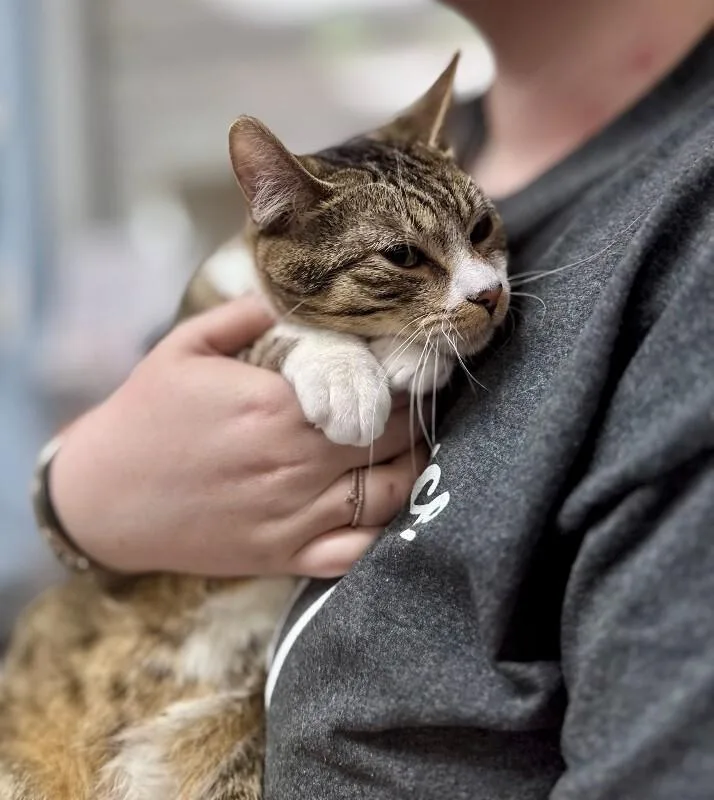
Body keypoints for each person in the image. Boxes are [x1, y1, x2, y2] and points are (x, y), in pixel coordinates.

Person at [36, 0, 714, 797]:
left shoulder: (684, 237)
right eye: (404, 258)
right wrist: (72, 493)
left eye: (484, 236)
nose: (487, 289)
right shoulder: (429, 145)